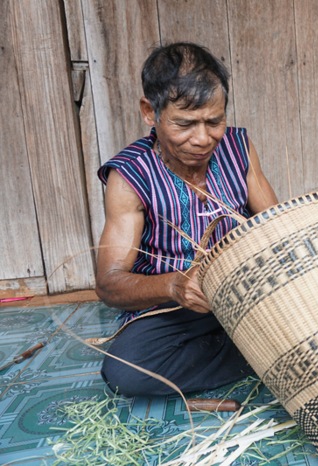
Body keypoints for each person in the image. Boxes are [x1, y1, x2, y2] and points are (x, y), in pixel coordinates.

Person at [95, 42, 278, 396]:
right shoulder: (130, 176)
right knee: (126, 373)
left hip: (247, 295)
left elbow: (274, 228)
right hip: (174, 307)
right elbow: (108, 284)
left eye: (214, 121)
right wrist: (174, 286)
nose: (202, 138)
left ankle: (256, 345)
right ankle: (259, 353)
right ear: (150, 112)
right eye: (185, 123)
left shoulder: (239, 148)